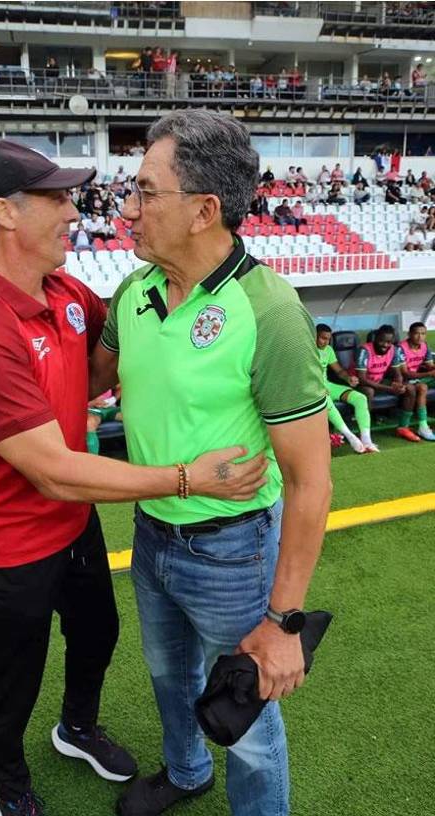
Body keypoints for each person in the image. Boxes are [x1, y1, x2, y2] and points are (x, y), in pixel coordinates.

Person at [0, 139, 268, 816]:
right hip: (7, 544)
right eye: (57, 198)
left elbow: (128, 343)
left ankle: (77, 728)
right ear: (5, 213)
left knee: (97, 635)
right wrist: (188, 477)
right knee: (11, 679)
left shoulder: (65, 292)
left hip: (72, 525)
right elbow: (55, 473)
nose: (73, 211)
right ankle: (12, 789)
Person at [92, 110, 332, 816]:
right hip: (151, 533)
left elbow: (311, 482)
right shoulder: (134, 292)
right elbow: (85, 381)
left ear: (204, 210)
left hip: (233, 551)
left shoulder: (270, 313)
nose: (127, 210)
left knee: (248, 720)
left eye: (145, 192)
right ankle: (187, 771)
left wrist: (284, 622)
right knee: (170, 679)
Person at [356, 324, 424, 443]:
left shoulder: (393, 349)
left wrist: (399, 385)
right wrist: (389, 388)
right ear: (376, 338)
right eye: (382, 341)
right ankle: (365, 432)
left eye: (388, 342)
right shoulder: (364, 350)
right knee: (369, 391)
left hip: (379, 381)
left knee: (410, 388)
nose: (385, 345)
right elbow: (362, 379)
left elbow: (397, 373)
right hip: (359, 384)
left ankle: (403, 427)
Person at [314, 324, 375, 453]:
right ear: (314, 336)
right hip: (313, 388)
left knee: (360, 398)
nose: (326, 342)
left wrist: (348, 378)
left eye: (328, 339)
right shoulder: (307, 351)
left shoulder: (328, 350)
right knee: (325, 399)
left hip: (327, 385)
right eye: (323, 338)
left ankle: (367, 440)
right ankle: (350, 437)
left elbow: (339, 371)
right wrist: (318, 387)